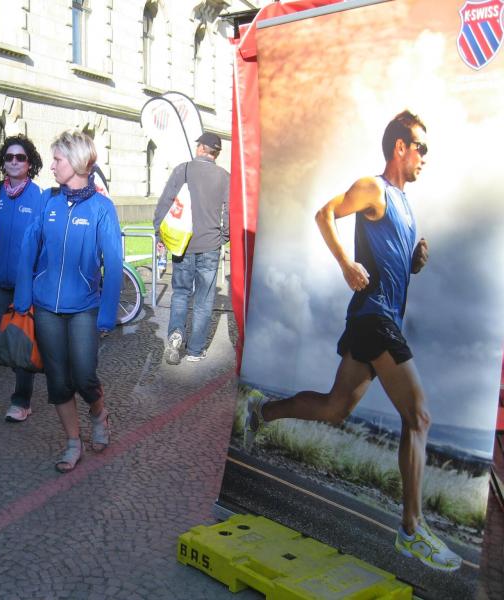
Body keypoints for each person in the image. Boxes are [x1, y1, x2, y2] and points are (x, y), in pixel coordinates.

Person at [244, 110, 461, 572]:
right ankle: (411, 531)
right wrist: (345, 263)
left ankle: (262, 410)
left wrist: (416, 262)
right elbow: (324, 213)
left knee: (335, 408)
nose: (425, 156)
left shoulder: (405, 206)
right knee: (419, 416)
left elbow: (396, 267)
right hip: (374, 318)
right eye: (421, 147)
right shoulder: (373, 188)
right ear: (400, 147)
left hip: (380, 320)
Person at [14, 130, 122, 473]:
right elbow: (28, 247)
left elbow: (114, 263)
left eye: (57, 159)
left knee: (84, 376)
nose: (52, 166)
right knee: (58, 380)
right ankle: (73, 442)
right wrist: (23, 295)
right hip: (46, 306)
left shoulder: (101, 208)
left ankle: (98, 413)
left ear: (75, 162)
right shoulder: (49, 201)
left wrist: (107, 314)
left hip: (84, 307)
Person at [0, 135, 43, 422]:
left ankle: (21, 400)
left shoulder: (39, 197)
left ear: (29, 164)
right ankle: (28, 371)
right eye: (9, 157)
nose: (14, 162)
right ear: (3, 162)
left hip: (25, 286)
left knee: (21, 341)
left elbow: (44, 242)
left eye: (20, 157)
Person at [153, 132, 230, 365]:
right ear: (216, 153)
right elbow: (230, 211)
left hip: (182, 245)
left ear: (201, 148)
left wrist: (159, 233)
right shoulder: (224, 177)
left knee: (180, 293)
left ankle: (176, 336)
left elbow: (165, 203)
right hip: (210, 245)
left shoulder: (183, 170)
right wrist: (224, 236)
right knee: (204, 299)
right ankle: (196, 350)